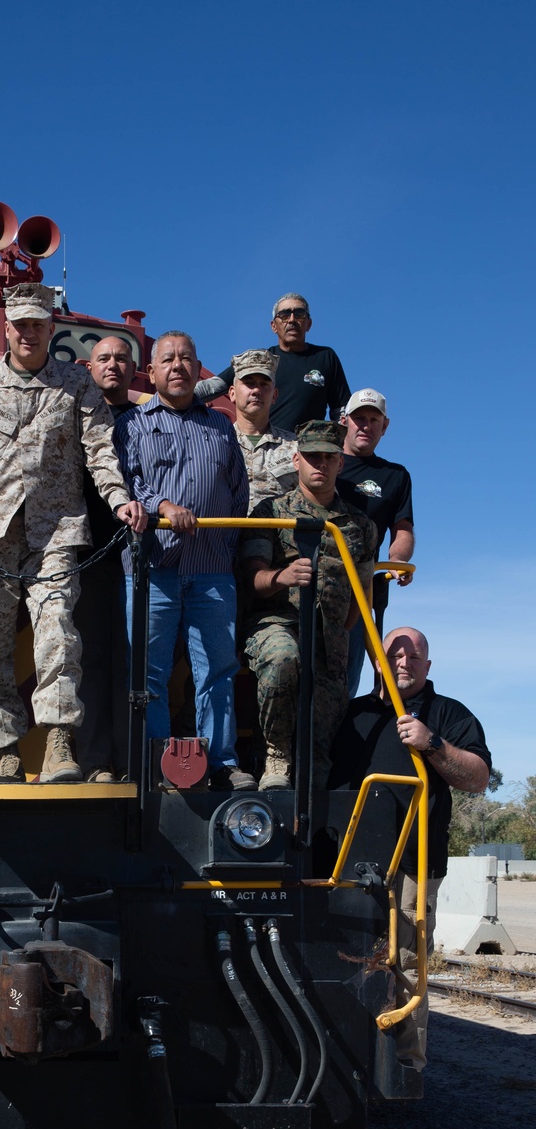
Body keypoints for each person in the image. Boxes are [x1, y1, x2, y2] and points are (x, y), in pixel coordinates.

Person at [0, 283, 146, 785]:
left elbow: (100, 449)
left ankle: (60, 742)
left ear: (50, 328)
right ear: (8, 328)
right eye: (21, 324)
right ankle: (7, 753)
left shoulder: (76, 386)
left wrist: (118, 498)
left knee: (59, 633)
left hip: (56, 531)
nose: (29, 332)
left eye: (38, 323)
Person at [329, 627, 491, 1069]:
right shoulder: (350, 714)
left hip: (413, 865)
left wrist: (432, 743)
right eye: (395, 654)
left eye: (414, 656)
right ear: (378, 662)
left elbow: (477, 776)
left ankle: (404, 1068)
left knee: (405, 965)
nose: (404, 662)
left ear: (428, 666)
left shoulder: (448, 713)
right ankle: (345, 1058)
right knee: (343, 957)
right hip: (345, 862)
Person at [117, 330, 255, 790]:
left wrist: (226, 543)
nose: (178, 366)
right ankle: (157, 763)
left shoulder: (220, 425)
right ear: (152, 372)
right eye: (168, 359)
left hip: (213, 571)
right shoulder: (132, 424)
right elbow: (128, 484)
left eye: (187, 359)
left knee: (217, 670)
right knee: (149, 672)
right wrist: (164, 508)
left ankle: (221, 762)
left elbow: (239, 490)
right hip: (153, 571)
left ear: (198, 370)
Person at [240, 420, 377, 790]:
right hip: (277, 625)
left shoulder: (360, 525)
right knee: (284, 658)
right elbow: (252, 580)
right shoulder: (270, 512)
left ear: (340, 463)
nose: (321, 464)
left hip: (331, 646)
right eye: (312, 456)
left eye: (329, 457)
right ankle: (275, 755)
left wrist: (337, 635)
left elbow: (362, 596)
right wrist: (280, 577)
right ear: (296, 459)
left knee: (320, 761)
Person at [76, 336, 139, 782]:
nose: (112, 366)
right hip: (86, 554)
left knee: (135, 660)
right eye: (104, 359)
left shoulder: (150, 421)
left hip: (142, 558)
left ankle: (135, 759)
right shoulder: (71, 416)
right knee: (92, 659)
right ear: (87, 366)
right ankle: (96, 759)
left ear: (135, 368)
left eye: (121, 358)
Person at [338, 389, 415, 697]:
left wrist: (397, 561)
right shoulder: (322, 460)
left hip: (359, 591)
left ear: (385, 426)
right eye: (359, 418)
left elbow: (403, 528)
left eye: (374, 419)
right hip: (310, 583)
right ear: (344, 421)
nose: (365, 426)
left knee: (345, 679)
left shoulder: (395, 476)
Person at [204, 295, 351, 430]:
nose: (292, 320)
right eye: (285, 315)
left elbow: (342, 411)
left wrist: (339, 446)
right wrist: (183, 398)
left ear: (309, 323)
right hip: (269, 450)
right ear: (274, 326)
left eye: (299, 314)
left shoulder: (325, 357)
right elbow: (213, 387)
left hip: (309, 452)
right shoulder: (261, 360)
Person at [227, 349, 297, 509]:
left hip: (277, 534)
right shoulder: (216, 444)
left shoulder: (296, 447)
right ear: (232, 393)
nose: (257, 391)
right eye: (249, 383)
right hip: (227, 533)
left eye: (264, 384)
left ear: (274, 395)